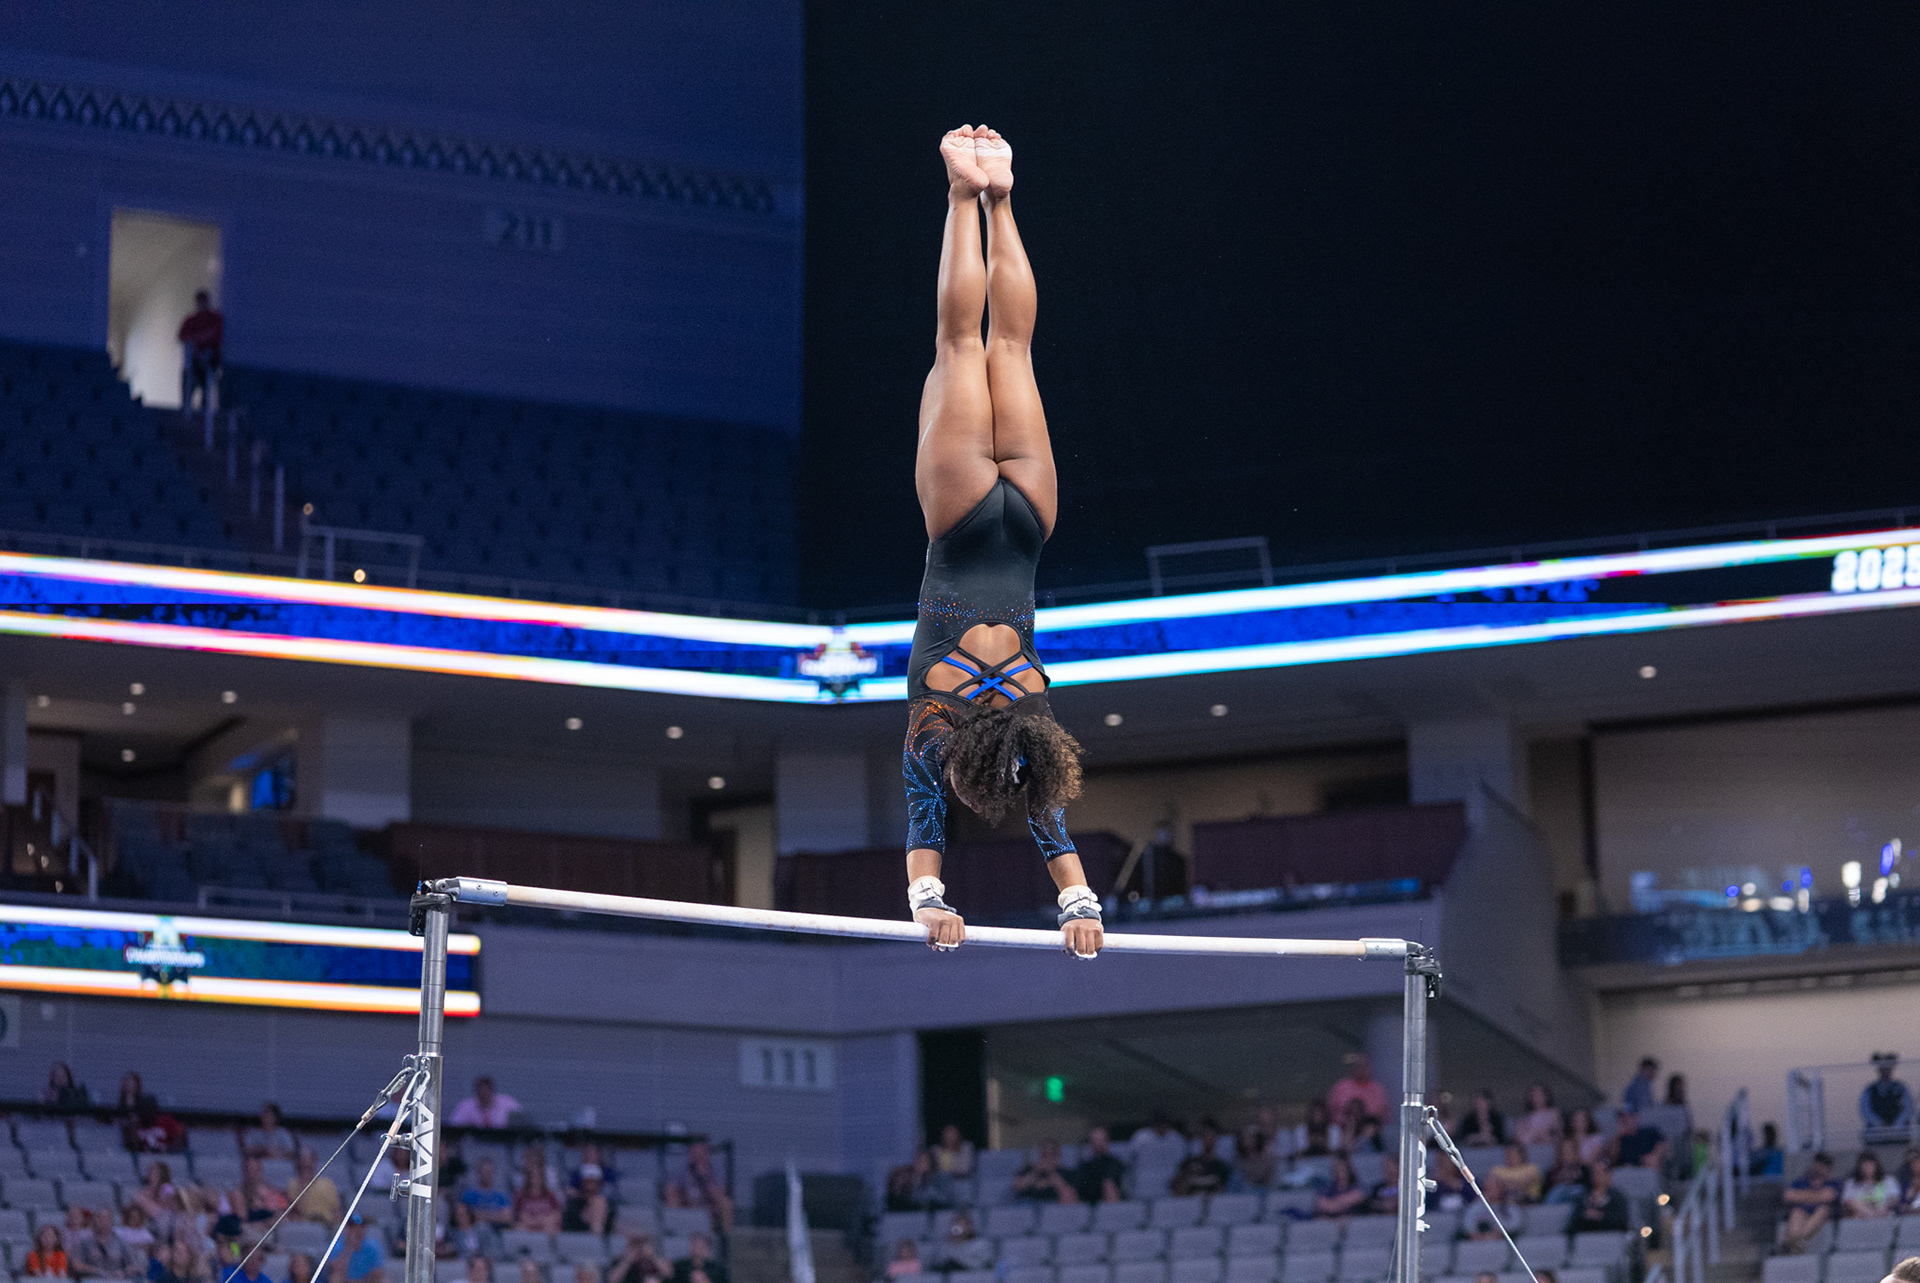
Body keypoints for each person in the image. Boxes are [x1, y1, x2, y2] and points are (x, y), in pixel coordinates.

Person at [899, 125, 1100, 960]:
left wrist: (1081, 907)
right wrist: (927, 903)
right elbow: (924, 827)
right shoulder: (933, 723)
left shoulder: (1033, 715)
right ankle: (963, 193)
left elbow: (1056, 832)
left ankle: (1004, 199)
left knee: (1012, 347)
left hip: (1028, 522)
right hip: (961, 520)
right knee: (962, 344)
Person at [664, 1141, 734, 1234]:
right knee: (671, 1196)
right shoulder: (682, 1172)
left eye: (701, 1151)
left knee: (726, 1203)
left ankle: (724, 1237)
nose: (698, 1155)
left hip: (709, 1209)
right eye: (694, 1151)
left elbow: (720, 1194)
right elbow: (671, 1189)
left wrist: (704, 1178)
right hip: (688, 1208)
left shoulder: (715, 1172)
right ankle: (673, 1234)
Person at [1781, 1152, 1842, 1253]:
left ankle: (1797, 1240)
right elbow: (1788, 1196)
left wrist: (1802, 1196)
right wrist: (1817, 1196)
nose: (1819, 1168)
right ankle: (1795, 1240)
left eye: (1823, 1165)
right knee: (1797, 1211)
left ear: (1829, 1168)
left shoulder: (1834, 1183)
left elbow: (1828, 1197)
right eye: (1817, 1164)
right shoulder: (1801, 1181)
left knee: (1823, 1210)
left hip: (1823, 1216)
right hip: (1803, 1211)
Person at [178, 289, 224, 412]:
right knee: (189, 384)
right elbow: (182, 337)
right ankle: (187, 408)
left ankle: (203, 410)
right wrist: (198, 339)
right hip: (194, 360)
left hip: (210, 360)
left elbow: (217, 335)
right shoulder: (191, 321)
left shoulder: (215, 318)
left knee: (206, 388)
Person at [1328, 1054, 1390, 1126]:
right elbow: (1331, 1110)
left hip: (1369, 1128)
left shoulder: (1378, 1090)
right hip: (1342, 1128)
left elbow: (1384, 1115)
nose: (1362, 1069)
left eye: (1365, 1066)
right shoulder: (1341, 1087)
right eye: (1359, 1066)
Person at [1070, 1127, 1128, 1204]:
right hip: (1086, 1200)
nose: (1098, 1143)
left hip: (1109, 1202)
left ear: (1106, 1141)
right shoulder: (1085, 1166)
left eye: (1101, 1140)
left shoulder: (1115, 1163)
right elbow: (1077, 1188)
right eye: (1095, 1140)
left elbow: (1113, 1186)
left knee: (1108, 1185)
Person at [1862, 1054, 1915, 1137]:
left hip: (1899, 1134)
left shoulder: (1901, 1088)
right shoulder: (1870, 1089)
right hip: (1876, 1135)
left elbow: (1908, 1108)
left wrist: (1896, 1124)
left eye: (1887, 1068)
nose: (1885, 1071)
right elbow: (1866, 1110)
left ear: (1891, 1069)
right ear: (1879, 1070)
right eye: (1882, 1069)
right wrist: (1880, 1125)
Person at [74, 1209, 135, 1280]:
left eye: (104, 1218)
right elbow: (76, 1264)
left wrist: (124, 1272)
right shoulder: (85, 1243)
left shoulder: (121, 1243)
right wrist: (96, 1271)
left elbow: (133, 1265)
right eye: (98, 1218)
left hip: (116, 1280)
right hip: (93, 1279)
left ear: (111, 1221)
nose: (101, 1221)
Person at [287, 1147, 342, 1225]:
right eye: (303, 1164)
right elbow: (298, 1210)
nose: (306, 1164)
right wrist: (302, 1184)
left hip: (326, 1225)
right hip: (305, 1226)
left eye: (309, 1163)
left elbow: (337, 1212)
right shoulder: (293, 1185)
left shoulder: (328, 1183)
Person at [1013, 1139, 1076, 1203]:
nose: (1049, 1158)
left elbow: (1070, 1197)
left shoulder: (1066, 1172)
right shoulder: (1028, 1169)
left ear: (1058, 1155)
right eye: (1045, 1154)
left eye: (1052, 1154)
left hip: (1054, 1204)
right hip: (1027, 1203)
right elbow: (1017, 1187)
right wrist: (1036, 1172)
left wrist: (1052, 1173)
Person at [1572, 1164, 1628, 1233]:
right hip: (1587, 1235)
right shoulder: (1582, 1198)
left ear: (1608, 1176)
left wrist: (1601, 1216)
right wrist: (1586, 1215)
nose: (1596, 1176)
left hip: (1611, 1235)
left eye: (1600, 1173)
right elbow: (1574, 1221)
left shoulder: (1617, 1198)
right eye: (1594, 1172)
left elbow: (1622, 1221)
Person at [448, 1077, 521, 1130]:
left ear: (491, 1091)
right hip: (474, 1144)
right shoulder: (466, 1106)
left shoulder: (509, 1104)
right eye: (479, 1093)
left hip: (502, 1143)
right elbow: (454, 1126)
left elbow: (521, 1126)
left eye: (485, 1093)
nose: (483, 1096)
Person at [1843, 1152, 1900, 1218]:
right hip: (1861, 1219)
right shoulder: (1851, 1184)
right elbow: (1848, 1202)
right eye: (1865, 1166)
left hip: (1885, 1217)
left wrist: (1884, 1209)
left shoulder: (1889, 1181)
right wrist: (1867, 1212)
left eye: (1870, 1165)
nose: (1868, 1168)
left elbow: (1894, 1199)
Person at [462, 1158, 514, 1227]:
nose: (487, 1174)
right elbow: (462, 1215)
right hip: (475, 1229)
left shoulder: (502, 1195)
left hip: (497, 1230)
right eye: (484, 1171)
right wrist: (498, 1215)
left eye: (489, 1172)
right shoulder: (469, 1194)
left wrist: (481, 1215)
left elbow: (507, 1218)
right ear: (478, 1172)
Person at [562, 1165, 612, 1234]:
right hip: (576, 1238)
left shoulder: (605, 1203)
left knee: (598, 1202)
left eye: (593, 1182)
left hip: (596, 1238)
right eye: (587, 1181)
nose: (590, 1186)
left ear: (599, 1183)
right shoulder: (573, 1205)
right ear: (582, 1182)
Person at [512, 1166, 564, 1233]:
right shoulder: (521, 1196)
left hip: (545, 1226)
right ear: (528, 1179)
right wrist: (533, 1222)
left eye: (538, 1177)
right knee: (519, 1227)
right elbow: (519, 1216)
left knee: (552, 1227)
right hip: (528, 1227)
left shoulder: (550, 1196)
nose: (535, 1180)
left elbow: (557, 1215)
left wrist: (541, 1220)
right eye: (533, 1177)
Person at [1232, 1124, 1278, 1192]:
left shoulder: (1264, 1159)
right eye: (1244, 1137)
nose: (1246, 1140)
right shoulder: (1239, 1159)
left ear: (1257, 1139)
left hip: (1259, 1190)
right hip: (1240, 1190)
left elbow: (1260, 1178)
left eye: (1250, 1137)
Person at [1542, 1140, 1590, 1204]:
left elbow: (1588, 1188)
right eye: (1565, 1151)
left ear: (1576, 1152)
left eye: (1570, 1150)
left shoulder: (1584, 1170)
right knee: (1558, 1190)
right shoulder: (1552, 1172)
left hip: (1577, 1199)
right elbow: (1544, 1192)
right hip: (1557, 1202)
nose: (1568, 1153)